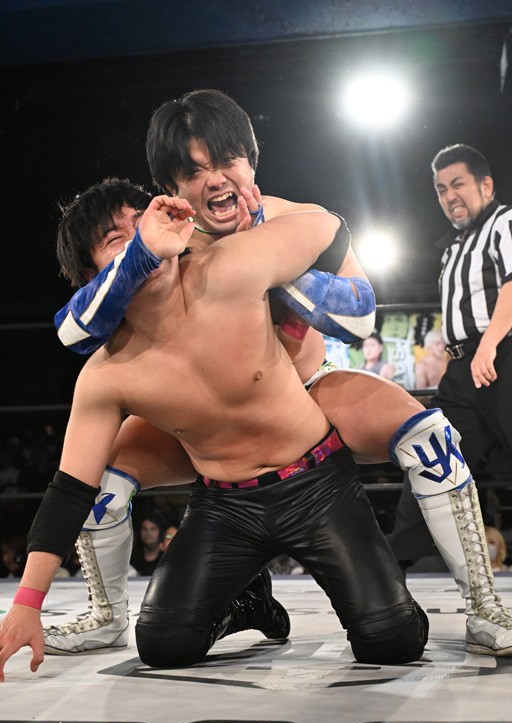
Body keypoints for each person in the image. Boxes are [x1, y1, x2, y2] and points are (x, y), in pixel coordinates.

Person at [44, 91, 512, 659]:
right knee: (103, 475)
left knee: (430, 438)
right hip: (206, 429)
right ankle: (107, 612)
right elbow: (75, 328)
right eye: (194, 171)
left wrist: (265, 252)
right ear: (171, 186)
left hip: (308, 397)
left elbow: (359, 318)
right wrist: (143, 255)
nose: (216, 180)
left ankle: (485, 605)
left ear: (251, 160)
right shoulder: (165, 240)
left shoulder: (297, 221)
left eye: (227, 161)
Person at [0, 190, 429, 681]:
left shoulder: (230, 269)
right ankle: (249, 604)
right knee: (164, 642)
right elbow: (71, 489)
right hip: (225, 505)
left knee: (392, 640)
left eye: (145, 223)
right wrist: (27, 603)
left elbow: (326, 228)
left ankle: (445, 602)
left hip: (316, 485)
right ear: (91, 276)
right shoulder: (107, 375)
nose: (146, 241)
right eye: (118, 239)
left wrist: (244, 196)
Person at [391, 144, 512, 583]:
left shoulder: (504, 223)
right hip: (464, 369)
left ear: (486, 185)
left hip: (501, 354)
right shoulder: (452, 250)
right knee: (433, 459)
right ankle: (392, 567)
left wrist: (489, 345)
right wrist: (458, 357)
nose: (449, 196)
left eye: (457, 184)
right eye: (441, 189)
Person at [130, 511, 166, 576]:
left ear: (161, 532)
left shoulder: (166, 559)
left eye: (153, 529)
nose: (148, 533)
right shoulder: (132, 559)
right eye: (144, 529)